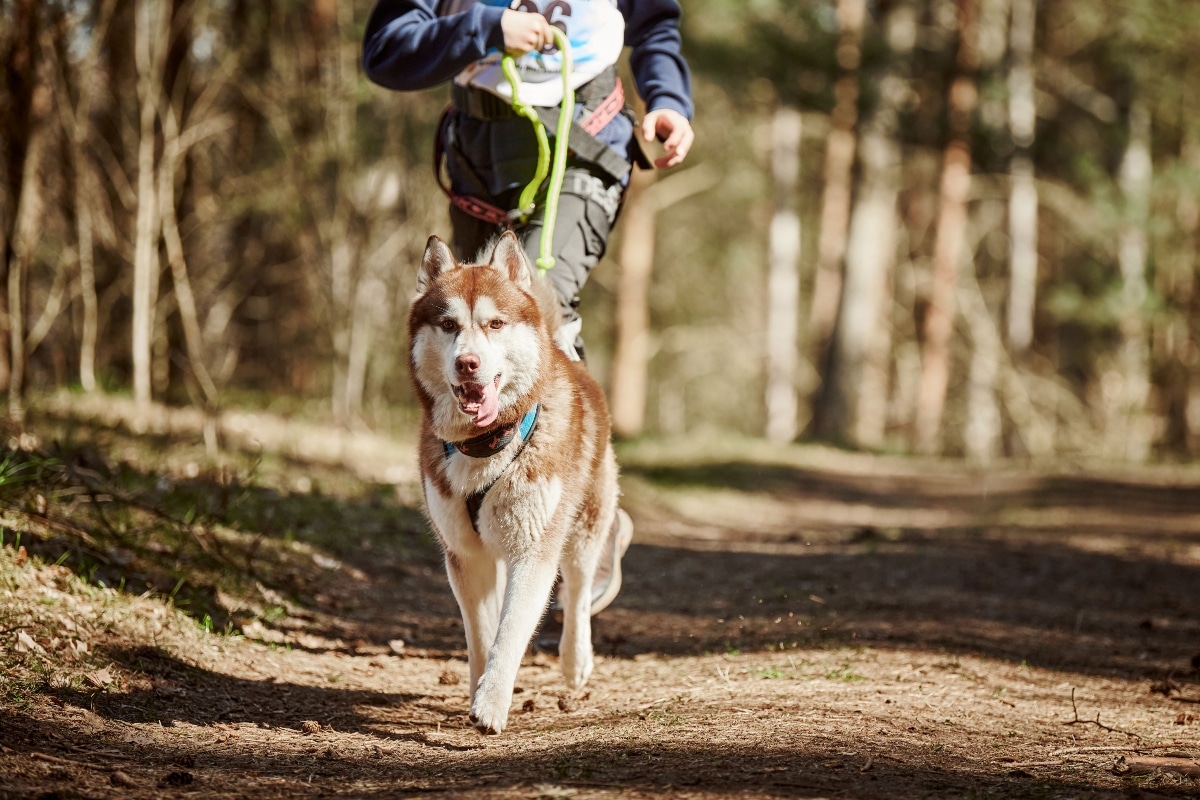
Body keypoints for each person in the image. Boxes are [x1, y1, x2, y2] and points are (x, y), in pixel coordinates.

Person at [362, 0, 694, 646]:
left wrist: (668, 97)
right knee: (472, 333)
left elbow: (655, 20)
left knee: (539, 312)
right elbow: (386, 51)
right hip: (479, 152)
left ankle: (585, 506)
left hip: (586, 133)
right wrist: (483, 30)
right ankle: (482, 519)